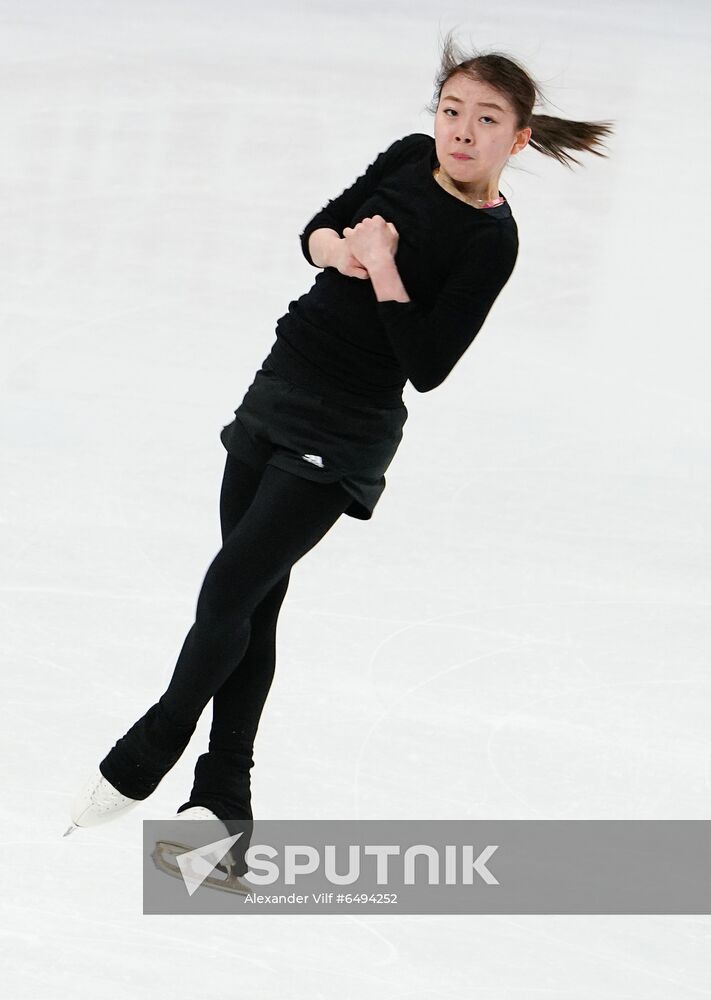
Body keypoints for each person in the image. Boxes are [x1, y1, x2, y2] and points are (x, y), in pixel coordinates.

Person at [66, 33, 614, 870]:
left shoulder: (490, 239)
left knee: (228, 590)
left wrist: (386, 267)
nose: (460, 131)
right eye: (450, 110)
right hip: (278, 385)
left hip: (345, 431)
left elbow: (426, 366)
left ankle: (156, 741)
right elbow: (316, 233)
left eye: (484, 119)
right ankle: (223, 803)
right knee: (254, 602)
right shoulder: (403, 157)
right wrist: (344, 251)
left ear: (519, 138)